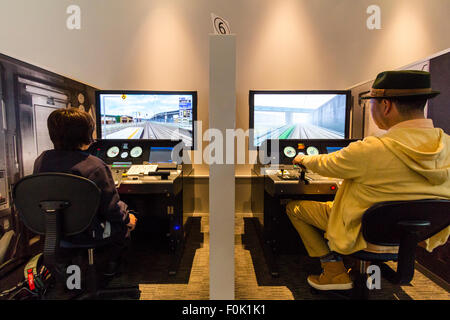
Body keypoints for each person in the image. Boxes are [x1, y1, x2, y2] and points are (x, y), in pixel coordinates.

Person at [286, 70, 450, 291]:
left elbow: (326, 163)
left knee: (294, 208)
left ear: (385, 105)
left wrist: (302, 158)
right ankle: (362, 267)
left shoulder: (372, 149)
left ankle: (334, 272)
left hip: (362, 231)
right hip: (417, 238)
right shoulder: (448, 146)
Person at [33, 107, 137, 275]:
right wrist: (127, 217)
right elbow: (112, 210)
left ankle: (74, 273)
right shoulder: (95, 165)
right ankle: (110, 270)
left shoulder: (41, 160)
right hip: (90, 233)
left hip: (54, 231)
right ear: (85, 133)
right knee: (125, 221)